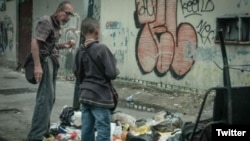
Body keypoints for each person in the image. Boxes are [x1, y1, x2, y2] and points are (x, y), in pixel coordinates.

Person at [26, 1, 75, 141]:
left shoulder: (56, 24)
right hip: (45, 62)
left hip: (51, 63)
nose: (68, 17)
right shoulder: (46, 21)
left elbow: (50, 45)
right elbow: (35, 42)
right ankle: (35, 136)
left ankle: (43, 130)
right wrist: (37, 66)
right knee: (44, 99)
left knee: (49, 98)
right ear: (59, 11)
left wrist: (64, 45)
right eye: (67, 13)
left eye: (71, 15)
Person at [74, 17, 119, 141]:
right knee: (103, 129)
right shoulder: (102, 49)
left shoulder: (79, 51)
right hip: (100, 96)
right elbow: (112, 73)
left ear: (82, 33)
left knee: (86, 129)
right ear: (97, 32)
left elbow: (77, 73)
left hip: (85, 95)